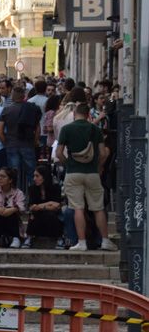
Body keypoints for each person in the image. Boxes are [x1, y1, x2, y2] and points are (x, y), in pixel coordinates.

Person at [55, 102, 118, 251]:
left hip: (73, 173)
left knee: (77, 208)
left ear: (75, 113)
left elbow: (58, 153)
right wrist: (98, 166)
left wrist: (68, 164)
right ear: (88, 114)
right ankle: (104, 240)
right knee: (98, 207)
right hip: (92, 173)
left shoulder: (66, 129)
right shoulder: (95, 129)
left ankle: (81, 242)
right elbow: (103, 153)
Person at [0, 85, 41, 193]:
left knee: (13, 174)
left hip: (12, 144)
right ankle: (33, 196)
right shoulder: (32, 109)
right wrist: (35, 141)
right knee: (31, 172)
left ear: (13, 96)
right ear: (24, 96)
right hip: (27, 144)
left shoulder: (7, 110)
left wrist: (6, 142)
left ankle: (14, 197)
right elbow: (37, 128)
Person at [0, 167, 26, 248]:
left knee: (13, 214)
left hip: (11, 223)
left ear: (10, 180)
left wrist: (10, 210)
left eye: (3, 176)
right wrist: (0, 210)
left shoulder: (18, 193)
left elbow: (21, 208)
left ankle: (15, 238)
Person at [26, 165, 63, 245]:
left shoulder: (55, 187)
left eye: (37, 176)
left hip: (52, 215)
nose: (34, 179)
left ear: (44, 176)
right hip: (38, 215)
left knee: (52, 215)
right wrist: (49, 204)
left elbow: (56, 205)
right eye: (34, 176)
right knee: (34, 215)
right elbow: (32, 207)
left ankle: (59, 239)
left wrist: (40, 206)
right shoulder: (32, 188)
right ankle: (29, 238)